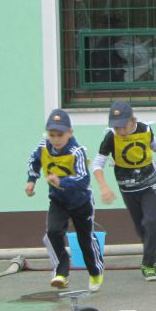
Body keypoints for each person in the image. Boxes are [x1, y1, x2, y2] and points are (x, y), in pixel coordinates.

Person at [92, 101, 156, 281]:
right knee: (140, 224)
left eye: (123, 126)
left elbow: (155, 144)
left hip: (150, 181)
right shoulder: (111, 137)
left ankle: (148, 264)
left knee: (152, 221)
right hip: (127, 185)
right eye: (116, 127)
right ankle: (151, 247)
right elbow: (98, 164)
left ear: (132, 119)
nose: (120, 130)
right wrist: (103, 186)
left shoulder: (144, 129)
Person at [25, 109, 104, 292]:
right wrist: (31, 181)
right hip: (58, 200)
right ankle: (62, 271)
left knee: (85, 240)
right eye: (52, 135)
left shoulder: (77, 151)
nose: (56, 139)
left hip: (81, 202)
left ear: (70, 133)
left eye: (60, 135)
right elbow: (33, 161)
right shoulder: (43, 147)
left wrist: (61, 181)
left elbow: (84, 180)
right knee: (53, 232)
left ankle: (95, 271)